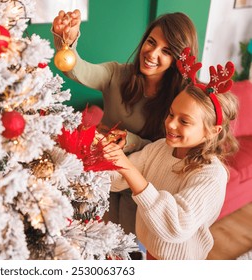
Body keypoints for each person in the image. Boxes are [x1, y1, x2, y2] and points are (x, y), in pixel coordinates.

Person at [52, 10, 199, 236]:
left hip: (141, 184)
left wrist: (130, 141)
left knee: (130, 244)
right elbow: (77, 70)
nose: (152, 53)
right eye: (151, 42)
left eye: (166, 51)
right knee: (97, 237)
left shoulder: (180, 99)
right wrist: (66, 41)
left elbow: (170, 147)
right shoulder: (116, 74)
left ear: (177, 60)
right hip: (103, 176)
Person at [100, 69, 239, 259]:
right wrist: (98, 156)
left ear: (212, 131)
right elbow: (117, 179)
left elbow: (175, 227)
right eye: (171, 114)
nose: (171, 124)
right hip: (150, 250)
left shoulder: (211, 176)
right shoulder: (160, 148)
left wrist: (127, 168)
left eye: (184, 121)